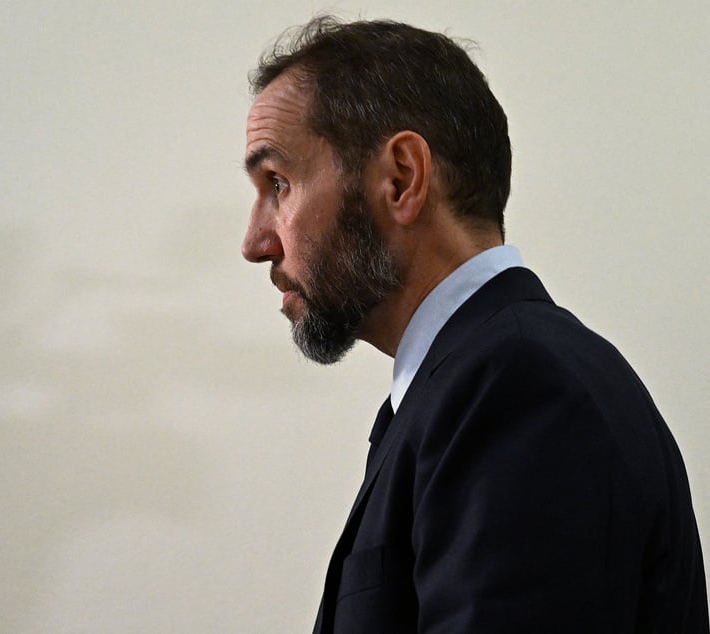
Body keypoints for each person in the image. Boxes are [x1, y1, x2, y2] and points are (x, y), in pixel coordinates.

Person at [240, 16, 708, 633]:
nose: (254, 242)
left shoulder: (517, 388)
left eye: (279, 183)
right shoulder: (474, 384)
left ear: (401, 178)